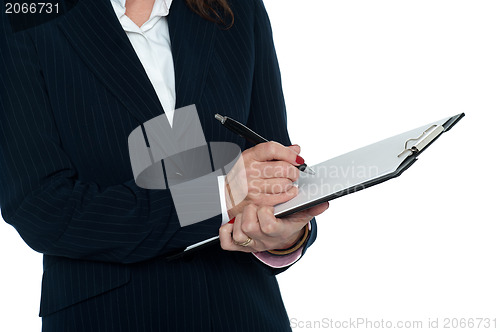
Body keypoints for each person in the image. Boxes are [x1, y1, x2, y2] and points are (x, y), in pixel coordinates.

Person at [0, 0, 328, 331]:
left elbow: (273, 170)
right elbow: (40, 207)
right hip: (110, 316)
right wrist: (216, 197)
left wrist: (285, 235)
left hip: (242, 311)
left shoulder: (238, 7)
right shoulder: (22, 14)